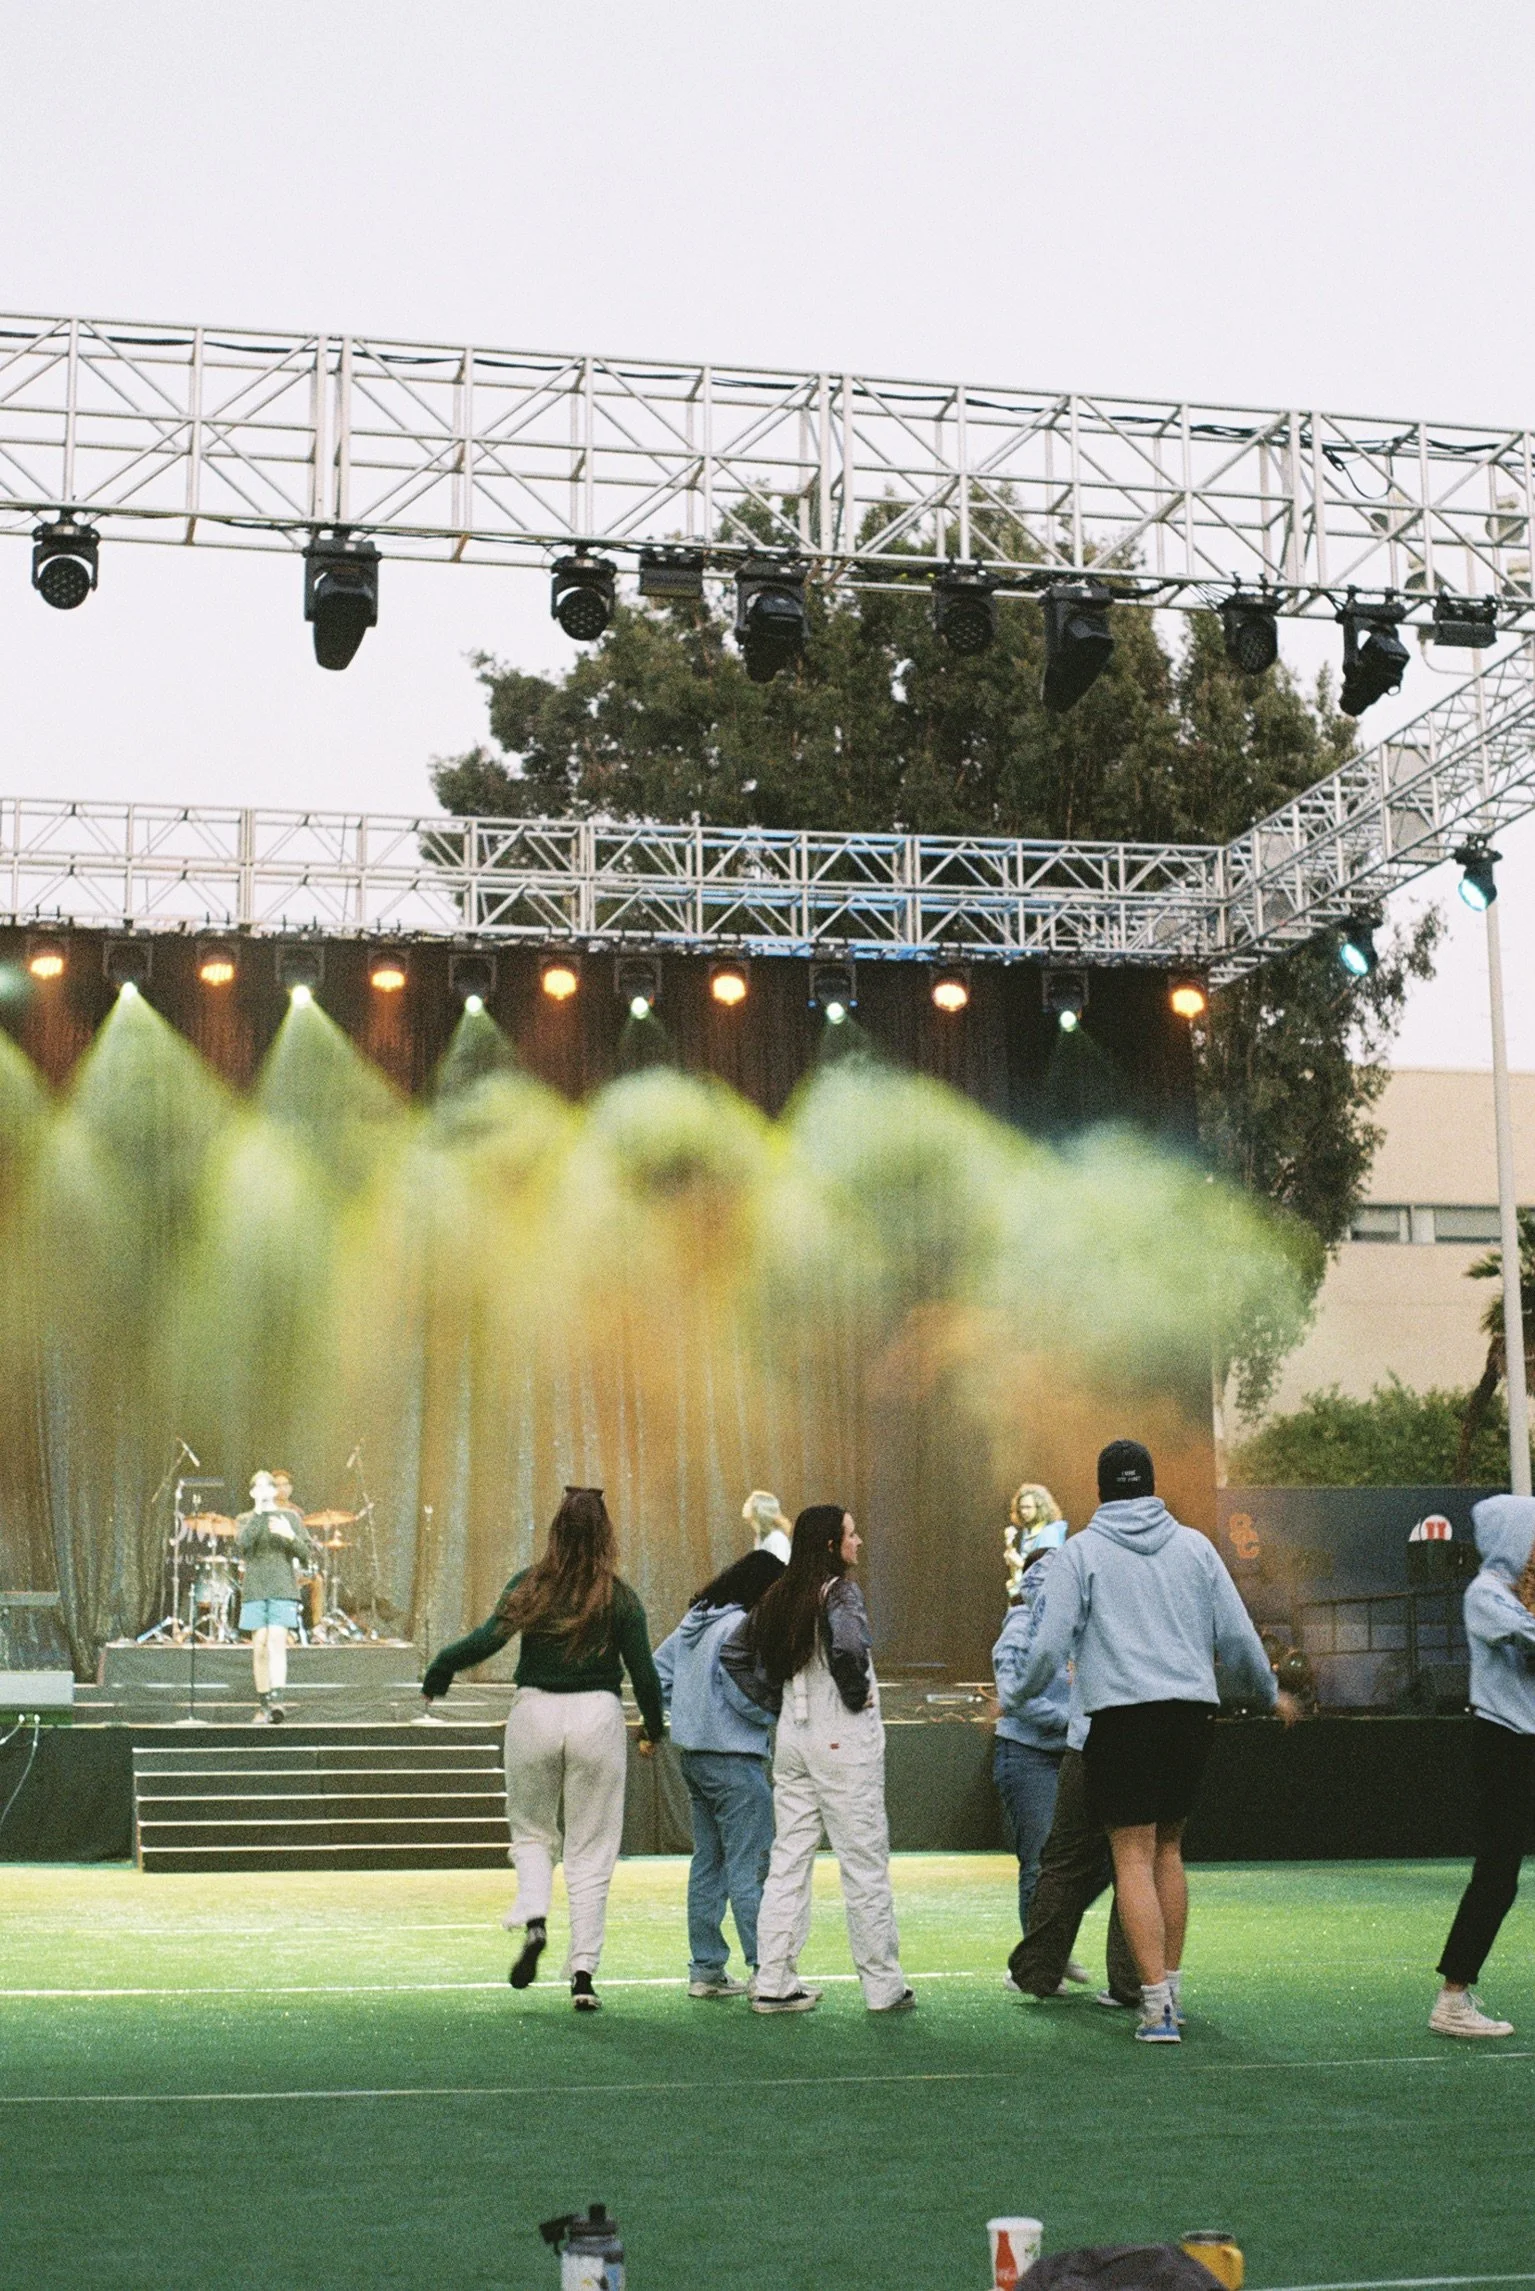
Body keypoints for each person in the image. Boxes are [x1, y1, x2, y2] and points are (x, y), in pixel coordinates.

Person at [1011, 1439, 1297, 2045]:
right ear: (1151, 1485)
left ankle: (1156, 2009)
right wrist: (1269, 1693)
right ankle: (1173, 1992)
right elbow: (1239, 1637)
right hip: (1192, 1717)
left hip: (1121, 1719)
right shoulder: (1195, 1547)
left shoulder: (1081, 1552)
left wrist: (1015, 1695)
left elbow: (1049, 1644)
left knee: (1133, 1857)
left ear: (1100, 1490)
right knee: (1169, 1851)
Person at [420, 1486, 664, 2013]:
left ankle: (534, 1918)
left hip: (534, 1713)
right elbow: (644, 1673)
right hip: (597, 1716)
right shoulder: (619, 1597)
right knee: (591, 1850)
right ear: (606, 1534)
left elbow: (487, 1638)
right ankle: (583, 1975)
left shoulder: (530, 1584)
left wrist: (441, 1668)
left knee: (532, 1832)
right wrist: (652, 1728)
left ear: (556, 1529)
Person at [721, 1503, 913, 2015]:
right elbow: (848, 1648)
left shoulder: (778, 1594)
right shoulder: (841, 1592)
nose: (858, 1541)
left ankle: (773, 1980)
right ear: (831, 1545)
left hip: (794, 1737)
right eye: (851, 1534)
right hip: (842, 1739)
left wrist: (776, 1702)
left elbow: (733, 1654)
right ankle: (883, 1985)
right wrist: (852, 1693)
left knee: (788, 1861)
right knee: (864, 1863)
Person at [653, 1547, 785, 1998]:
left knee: (708, 1866)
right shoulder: (740, 1627)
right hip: (736, 1760)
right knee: (751, 1870)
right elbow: (743, 1692)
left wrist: (688, 1712)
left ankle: (706, 1971)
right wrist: (774, 1713)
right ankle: (768, 1972)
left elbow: (657, 1675)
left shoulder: (695, 1623)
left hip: (694, 1758)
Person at [1429, 1494, 1535, 2039]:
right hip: (1504, 1744)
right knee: (1497, 1875)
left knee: (1499, 1874)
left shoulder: (1512, 1594)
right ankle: (1452, 1999)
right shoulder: (1486, 1593)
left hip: (1524, 1742)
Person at [991, 1505, 1084, 1971]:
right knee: (1040, 1859)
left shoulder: (1074, 1629)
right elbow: (1013, 1695)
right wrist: (1069, 1720)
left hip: (1066, 1754)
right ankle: (1035, 1962)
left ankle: (1051, 1952)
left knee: (1069, 1862)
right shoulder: (1020, 1624)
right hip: (1026, 1754)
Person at [234, 1470, 320, 1722]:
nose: (263, 1492)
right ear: (252, 1493)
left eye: (267, 1487)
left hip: (282, 1587)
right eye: (257, 1488)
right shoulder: (245, 1519)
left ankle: (277, 1702)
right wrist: (259, 1515)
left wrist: (289, 1535)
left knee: (276, 1640)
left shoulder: (290, 1517)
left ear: (274, 1491)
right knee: (260, 1644)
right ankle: (263, 1704)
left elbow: (307, 1554)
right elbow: (243, 1545)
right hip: (255, 1588)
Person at [742, 1490, 793, 1566]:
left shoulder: (776, 1538)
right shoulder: (760, 1538)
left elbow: (780, 1568)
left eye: (748, 1502)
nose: (745, 1505)